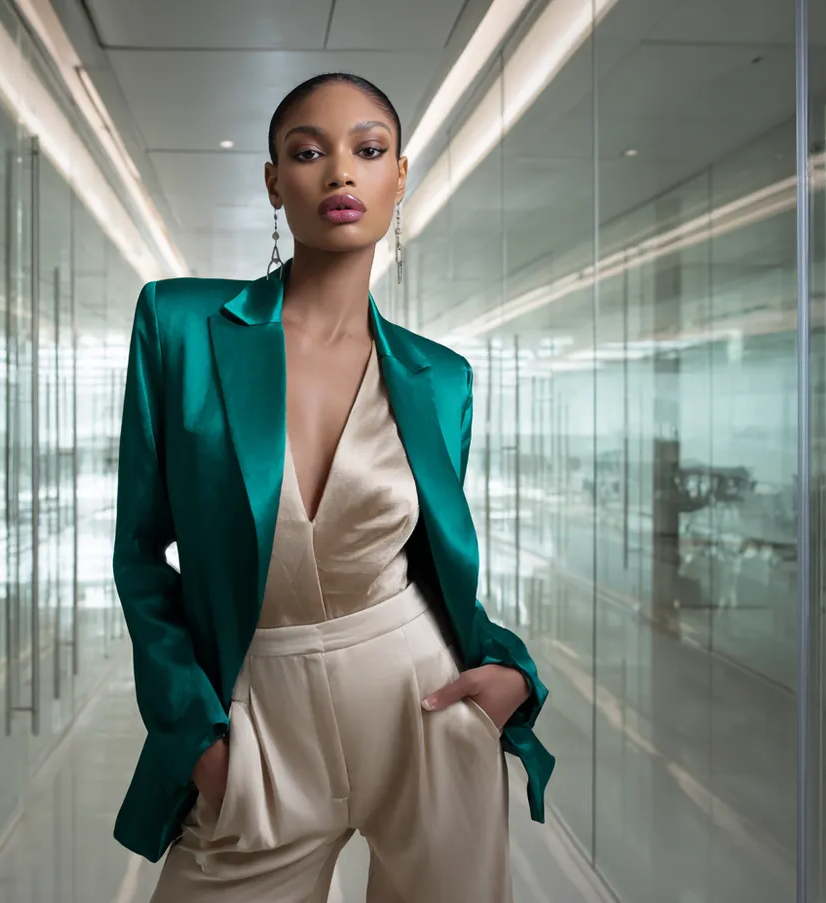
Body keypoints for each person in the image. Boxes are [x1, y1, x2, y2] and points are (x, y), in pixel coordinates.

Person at [112, 72, 554, 902]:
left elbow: (434, 572)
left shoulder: (441, 378)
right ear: (275, 181)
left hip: (421, 711)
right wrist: (194, 728)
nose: (340, 173)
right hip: (257, 719)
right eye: (308, 152)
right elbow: (139, 553)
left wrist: (513, 674)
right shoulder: (178, 325)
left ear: (400, 175)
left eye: (369, 149)